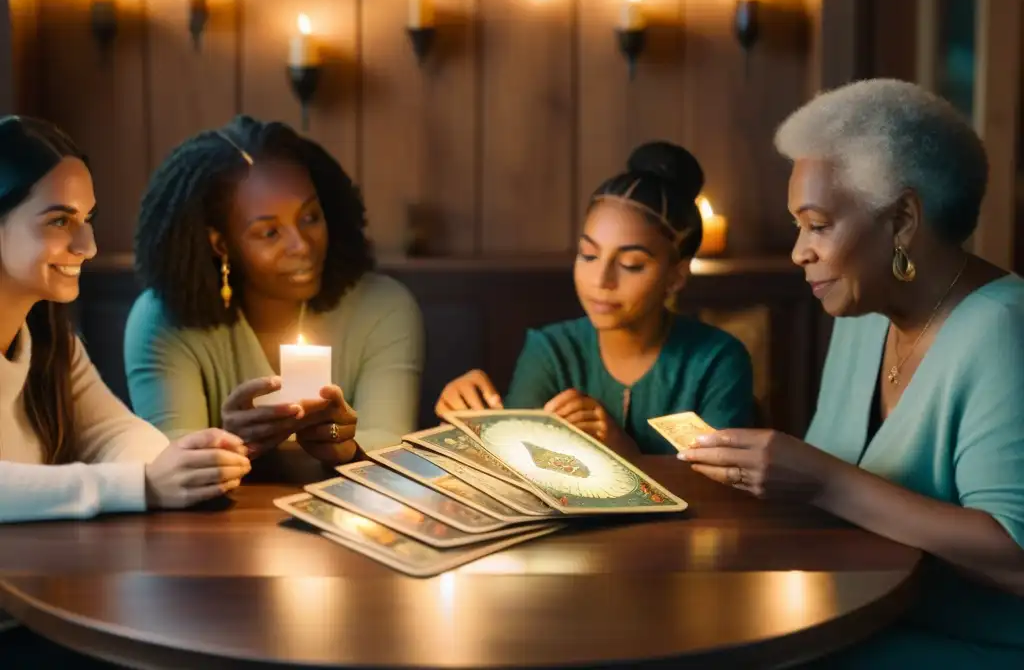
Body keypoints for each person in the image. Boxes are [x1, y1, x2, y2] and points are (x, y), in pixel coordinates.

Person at [680, 79, 1024, 667]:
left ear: (903, 221)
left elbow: (1014, 560)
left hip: (967, 645)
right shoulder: (863, 312)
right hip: (847, 617)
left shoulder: (1002, 330)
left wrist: (823, 480)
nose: (798, 252)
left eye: (817, 225)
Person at [0, 116, 249, 659]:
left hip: (37, 611)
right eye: (61, 221)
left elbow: (114, 431)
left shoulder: (46, 336)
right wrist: (144, 485)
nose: (88, 245)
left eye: (87, 219)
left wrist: (179, 463)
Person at [123, 116, 424, 466]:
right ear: (220, 244)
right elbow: (168, 460)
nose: (302, 245)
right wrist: (235, 442)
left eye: (310, 217)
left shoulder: (382, 307)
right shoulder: (162, 320)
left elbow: (390, 447)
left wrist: (340, 443)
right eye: (270, 233)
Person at [436, 142, 755, 456]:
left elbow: (725, 488)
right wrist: (467, 423)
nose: (601, 281)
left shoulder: (716, 361)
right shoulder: (551, 350)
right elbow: (515, 464)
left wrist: (623, 450)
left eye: (631, 265)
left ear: (676, 276)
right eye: (588, 256)